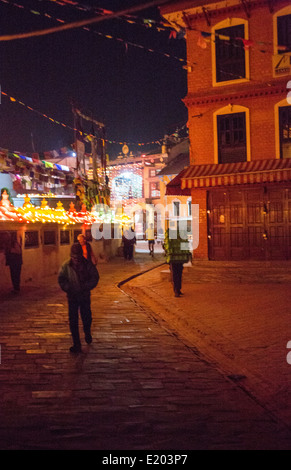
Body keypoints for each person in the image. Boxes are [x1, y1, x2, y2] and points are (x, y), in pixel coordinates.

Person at [58, 243, 99, 353]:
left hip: (84, 295)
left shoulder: (87, 265)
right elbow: (61, 279)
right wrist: (67, 287)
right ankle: (76, 343)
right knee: (73, 320)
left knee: (86, 316)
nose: (76, 259)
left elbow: (95, 277)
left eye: (78, 257)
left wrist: (86, 287)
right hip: (72, 296)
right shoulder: (66, 266)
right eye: (74, 257)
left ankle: (87, 331)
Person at [163, 227, 191, 297]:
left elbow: (167, 247)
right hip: (180, 258)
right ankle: (178, 289)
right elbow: (185, 246)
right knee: (179, 274)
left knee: (175, 275)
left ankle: (176, 290)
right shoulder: (182, 237)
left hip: (173, 258)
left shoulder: (170, 238)